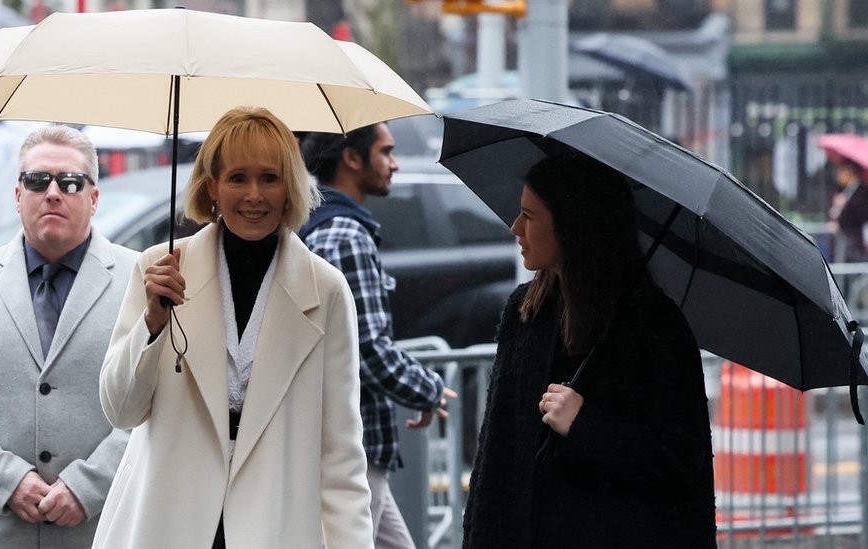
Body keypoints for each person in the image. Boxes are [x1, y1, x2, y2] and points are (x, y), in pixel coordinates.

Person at [92, 106, 374, 549]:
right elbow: (121, 410)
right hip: (165, 519)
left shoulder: (327, 290)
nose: (255, 196)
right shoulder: (158, 269)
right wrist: (152, 323)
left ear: (290, 188)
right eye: (238, 178)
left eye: (270, 177)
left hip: (276, 525)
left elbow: (339, 452)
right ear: (213, 188)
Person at [462, 152, 717, 548]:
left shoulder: (651, 325)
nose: (515, 228)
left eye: (529, 216)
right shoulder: (524, 311)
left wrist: (587, 426)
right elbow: (495, 459)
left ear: (571, 225)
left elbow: (681, 461)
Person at [0, 125, 135, 548]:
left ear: (93, 198)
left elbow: (159, 403)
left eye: (70, 182)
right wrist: (5, 480)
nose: (53, 192)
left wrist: (88, 487)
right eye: (37, 181)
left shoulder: (141, 281)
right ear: (18, 195)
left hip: (106, 529)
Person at [299, 123, 455, 549]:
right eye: (385, 152)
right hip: (353, 445)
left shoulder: (322, 228)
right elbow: (365, 347)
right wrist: (428, 388)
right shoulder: (346, 235)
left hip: (349, 444)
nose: (395, 163)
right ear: (352, 158)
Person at [829, 159, 868, 262]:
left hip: (854, 238)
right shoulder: (840, 189)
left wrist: (847, 205)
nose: (839, 174)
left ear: (851, 172)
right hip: (839, 239)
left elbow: (862, 214)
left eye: (842, 170)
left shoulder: (862, 190)